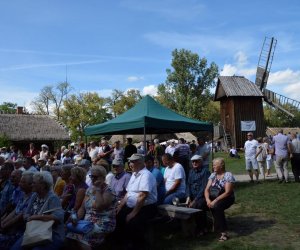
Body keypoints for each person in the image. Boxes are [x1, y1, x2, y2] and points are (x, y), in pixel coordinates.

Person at [66, 165, 117, 249]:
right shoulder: (89, 189)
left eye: (95, 177)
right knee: (70, 234)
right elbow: (82, 207)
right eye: (91, 176)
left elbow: (99, 206)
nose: (92, 179)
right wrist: (76, 218)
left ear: (103, 177)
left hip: (103, 222)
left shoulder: (109, 190)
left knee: (82, 239)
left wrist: (97, 189)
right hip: (87, 222)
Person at [11, 171, 65, 250]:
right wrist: (29, 217)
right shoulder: (34, 196)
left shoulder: (52, 198)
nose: (32, 185)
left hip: (51, 234)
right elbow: (26, 214)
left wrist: (35, 217)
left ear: (43, 185)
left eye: (34, 183)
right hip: (34, 232)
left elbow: (58, 217)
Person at [116, 153, 157, 249]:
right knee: (117, 216)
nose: (129, 164)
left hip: (146, 207)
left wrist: (133, 213)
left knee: (133, 222)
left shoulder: (146, 175)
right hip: (133, 206)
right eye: (129, 162)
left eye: (132, 162)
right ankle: (123, 242)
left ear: (139, 163)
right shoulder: (134, 174)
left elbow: (142, 196)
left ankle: (138, 245)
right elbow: (128, 193)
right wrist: (120, 206)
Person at [0, 171, 34, 250]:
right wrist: (3, 222)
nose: (20, 183)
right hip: (11, 228)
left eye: (23, 182)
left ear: (31, 184)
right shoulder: (24, 194)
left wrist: (4, 225)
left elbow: (20, 216)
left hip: (20, 231)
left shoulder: (32, 197)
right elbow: (15, 210)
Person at [204, 158, 235, 242]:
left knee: (218, 207)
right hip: (213, 197)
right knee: (199, 204)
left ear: (221, 166)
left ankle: (224, 233)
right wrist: (207, 200)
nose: (213, 166)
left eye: (215, 165)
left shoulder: (228, 175)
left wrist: (214, 201)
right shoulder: (213, 175)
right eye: (213, 164)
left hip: (226, 198)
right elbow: (206, 189)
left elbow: (228, 192)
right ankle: (203, 228)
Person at [186, 155, 211, 235]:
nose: (194, 163)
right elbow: (188, 185)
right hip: (193, 196)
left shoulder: (205, 171)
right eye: (193, 161)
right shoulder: (191, 172)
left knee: (198, 205)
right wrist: (188, 196)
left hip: (203, 196)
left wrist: (195, 200)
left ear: (201, 162)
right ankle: (189, 227)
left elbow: (204, 188)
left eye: (196, 161)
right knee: (180, 203)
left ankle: (202, 227)